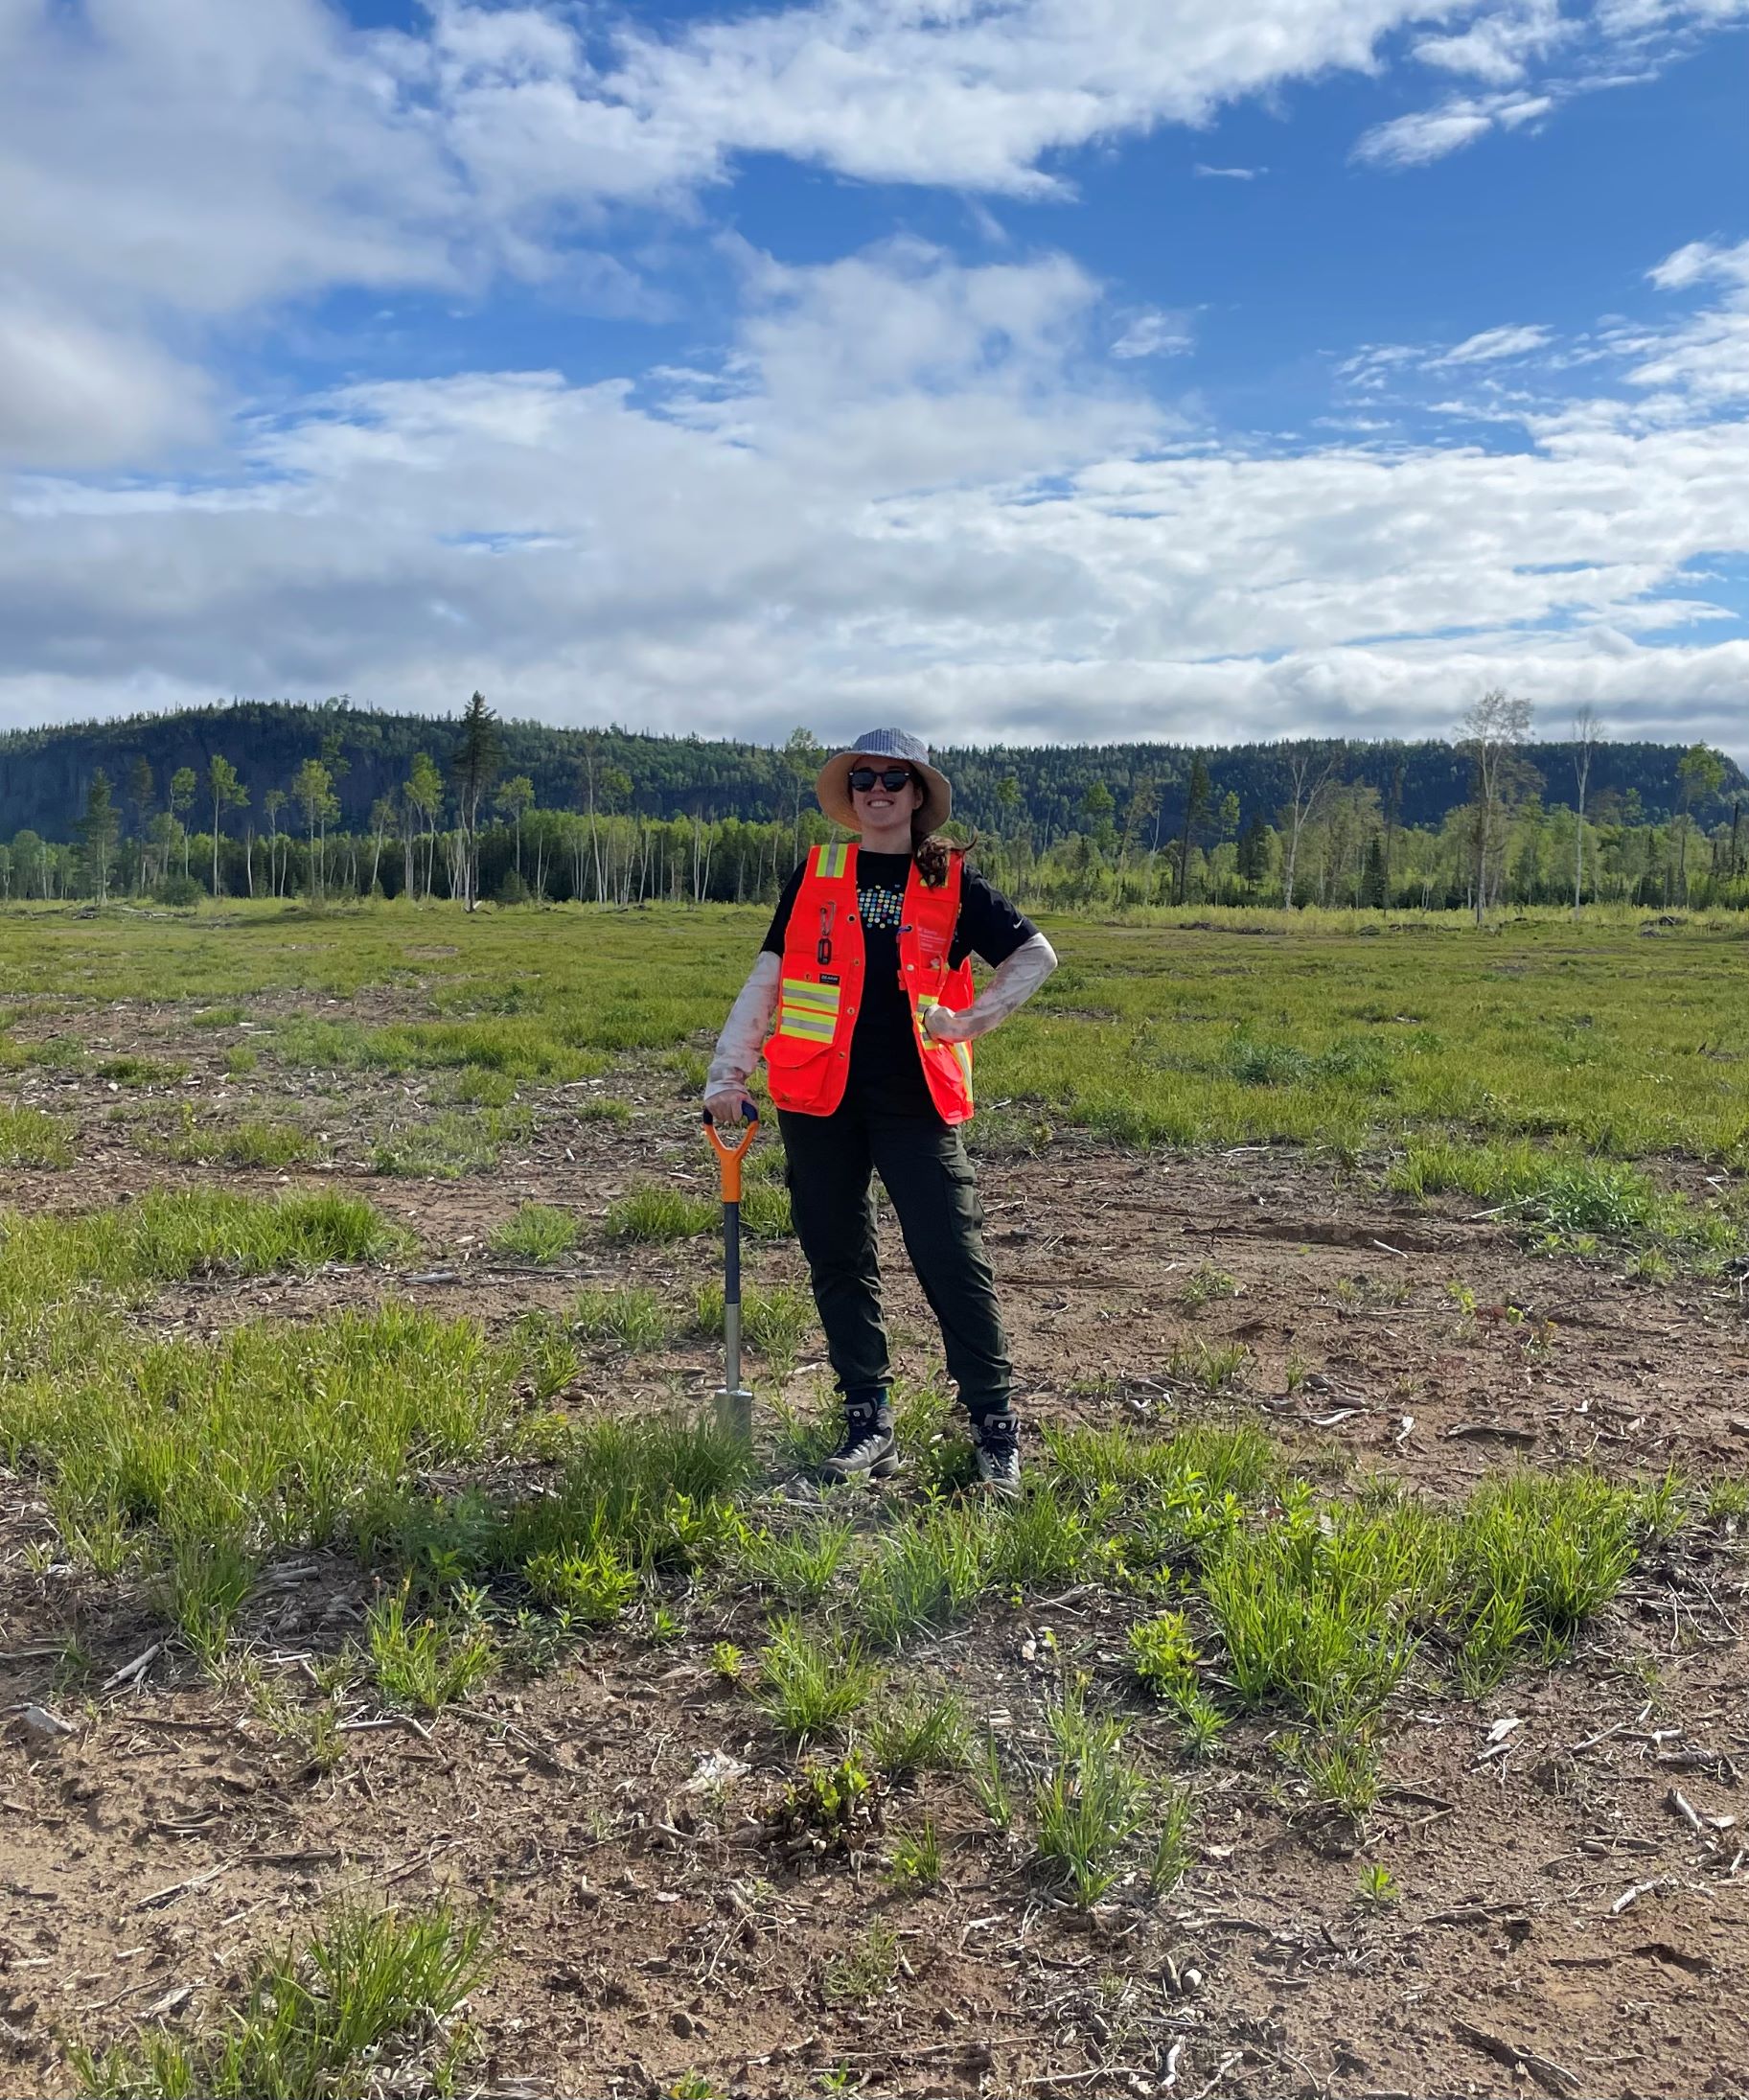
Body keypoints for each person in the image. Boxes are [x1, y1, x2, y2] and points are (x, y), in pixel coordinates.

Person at [704, 727, 1057, 1494]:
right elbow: (768, 975)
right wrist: (726, 1073)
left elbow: (1035, 956)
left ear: (917, 794)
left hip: (915, 1101)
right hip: (815, 1097)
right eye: (862, 776)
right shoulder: (816, 873)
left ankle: (994, 1430)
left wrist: (970, 1022)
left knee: (952, 1261)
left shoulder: (953, 881)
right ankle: (868, 1423)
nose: (876, 789)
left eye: (893, 778)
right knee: (837, 1260)